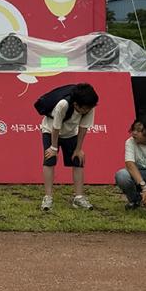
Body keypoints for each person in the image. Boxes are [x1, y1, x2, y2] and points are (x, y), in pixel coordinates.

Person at [40, 83, 99, 211]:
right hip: (50, 131)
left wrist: (78, 149)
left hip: (71, 133)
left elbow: (83, 127)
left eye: (89, 108)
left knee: (78, 160)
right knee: (49, 159)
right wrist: (53, 148)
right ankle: (48, 197)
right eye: (85, 109)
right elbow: (56, 127)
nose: (87, 111)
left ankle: (79, 198)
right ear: (76, 105)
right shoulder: (63, 105)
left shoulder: (90, 106)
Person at [114, 115, 146, 210]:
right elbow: (130, 164)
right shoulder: (130, 142)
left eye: (139, 131)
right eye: (133, 129)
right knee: (122, 175)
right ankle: (136, 201)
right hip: (139, 176)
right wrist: (144, 188)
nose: (134, 133)